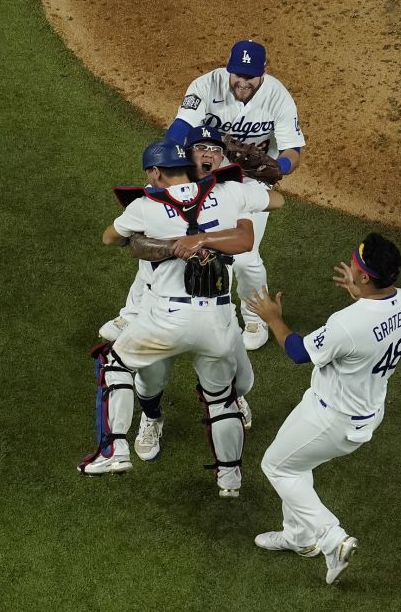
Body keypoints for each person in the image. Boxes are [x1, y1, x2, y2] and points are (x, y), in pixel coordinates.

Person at [79, 140, 284, 499]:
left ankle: (114, 449)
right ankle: (230, 478)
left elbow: (110, 238)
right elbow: (264, 215)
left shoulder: (146, 204)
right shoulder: (231, 190)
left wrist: (158, 239)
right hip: (219, 320)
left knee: (113, 363)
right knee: (221, 398)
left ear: (155, 172)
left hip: (166, 318)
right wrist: (205, 233)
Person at [244, 233, 401, 585]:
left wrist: (272, 317)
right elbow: (377, 323)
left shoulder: (347, 323)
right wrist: (361, 297)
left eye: (356, 267)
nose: (350, 268)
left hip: (330, 418)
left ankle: (330, 538)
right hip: (368, 408)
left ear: (367, 277)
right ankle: (299, 538)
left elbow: (298, 352)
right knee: (297, 465)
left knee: (277, 467)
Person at [99, 126, 259, 432]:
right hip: (160, 307)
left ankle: (226, 399)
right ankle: (152, 417)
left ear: (156, 172)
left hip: (218, 307)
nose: (207, 155)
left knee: (241, 381)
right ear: (187, 159)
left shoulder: (228, 191)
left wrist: (200, 239)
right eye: (200, 149)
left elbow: (269, 207)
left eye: (213, 150)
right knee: (150, 381)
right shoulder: (149, 205)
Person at [163, 39, 306, 350]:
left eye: (250, 76)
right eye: (237, 74)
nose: (242, 82)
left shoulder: (278, 97)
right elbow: (179, 127)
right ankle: (137, 310)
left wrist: (276, 167)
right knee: (168, 233)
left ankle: (254, 316)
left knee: (245, 257)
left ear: (264, 72)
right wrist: (169, 161)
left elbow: (293, 150)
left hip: (252, 178)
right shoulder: (205, 85)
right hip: (206, 171)